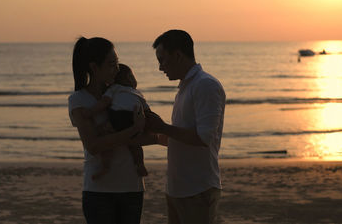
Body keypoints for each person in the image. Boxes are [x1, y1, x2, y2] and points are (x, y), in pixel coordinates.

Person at [146, 29, 226, 224]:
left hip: (197, 189)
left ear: (178, 55)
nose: (160, 68)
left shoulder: (205, 85)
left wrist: (163, 128)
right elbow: (178, 137)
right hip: (178, 188)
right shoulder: (186, 87)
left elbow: (203, 138)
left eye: (162, 60)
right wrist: (148, 134)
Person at [68, 37, 148, 224]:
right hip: (99, 192)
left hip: (132, 187)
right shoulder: (79, 100)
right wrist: (133, 130)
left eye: (117, 63)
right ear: (94, 68)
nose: (117, 69)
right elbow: (93, 146)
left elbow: (146, 131)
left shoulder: (123, 93)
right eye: (112, 64)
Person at [81, 63, 149, 180]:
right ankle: (140, 164)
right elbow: (147, 110)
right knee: (135, 145)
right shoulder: (137, 93)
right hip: (133, 119)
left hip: (119, 117)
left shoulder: (115, 88)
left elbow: (104, 102)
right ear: (129, 78)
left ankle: (105, 166)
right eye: (132, 76)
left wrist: (91, 112)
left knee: (105, 134)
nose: (133, 79)